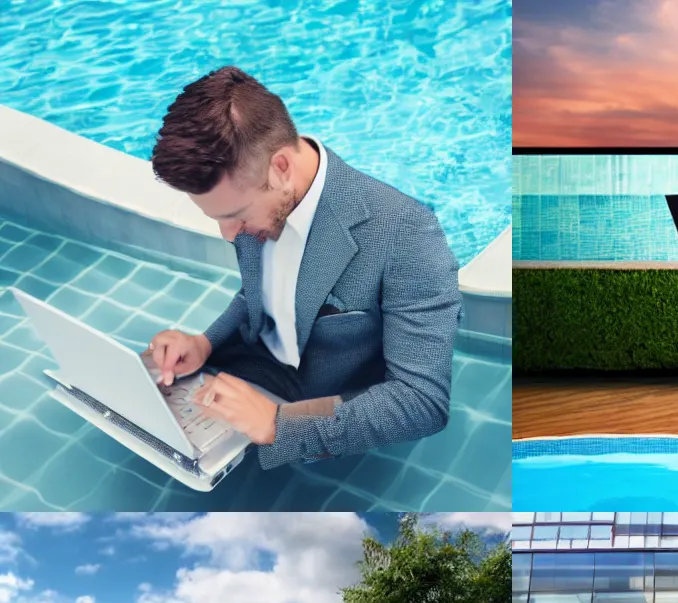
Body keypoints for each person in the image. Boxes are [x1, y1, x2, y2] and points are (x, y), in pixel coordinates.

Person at [144, 67, 460, 470]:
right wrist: (205, 343)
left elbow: (422, 401)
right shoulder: (256, 198)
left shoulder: (406, 233)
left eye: (235, 216)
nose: (228, 235)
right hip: (251, 375)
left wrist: (279, 426)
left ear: (281, 167)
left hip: (333, 418)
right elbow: (258, 295)